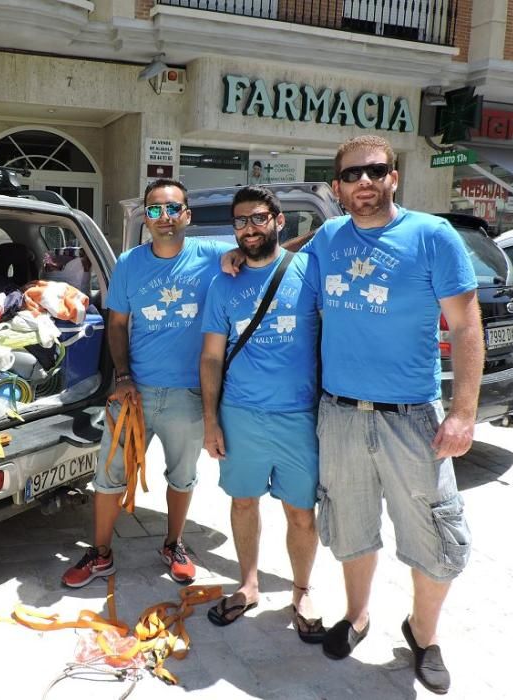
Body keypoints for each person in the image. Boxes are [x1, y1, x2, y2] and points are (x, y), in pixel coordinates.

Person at [307, 135, 482, 694]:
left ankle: (423, 635)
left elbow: (466, 326)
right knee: (349, 526)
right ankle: (357, 615)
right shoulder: (328, 238)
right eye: (352, 174)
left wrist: (463, 412)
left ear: (393, 177)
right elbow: (283, 274)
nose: (364, 181)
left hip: (412, 418)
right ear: (336, 188)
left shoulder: (432, 236)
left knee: (434, 535)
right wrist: (230, 254)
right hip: (339, 415)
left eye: (375, 171)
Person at [61, 178, 230, 588]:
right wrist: (122, 376)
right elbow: (117, 324)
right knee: (108, 476)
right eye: (155, 210)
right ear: (145, 218)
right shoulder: (130, 264)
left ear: (187, 215)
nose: (165, 218)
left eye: (173, 209)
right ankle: (101, 554)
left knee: (182, 477)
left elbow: (269, 256)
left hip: (189, 394)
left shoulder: (213, 255)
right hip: (133, 392)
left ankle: (173, 544)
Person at [200, 185, 324, 642]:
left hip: (298, 417)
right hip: (240, 415)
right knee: (243, 501)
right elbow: (212, 356)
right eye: (240, 222)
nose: (249, 228)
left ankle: (302, 590)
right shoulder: (223, 282)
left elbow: (332, 229)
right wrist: (211, 420)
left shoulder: (308, 271)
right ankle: (248, 585)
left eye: (258, 218)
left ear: (278, 221)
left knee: (301, 514)